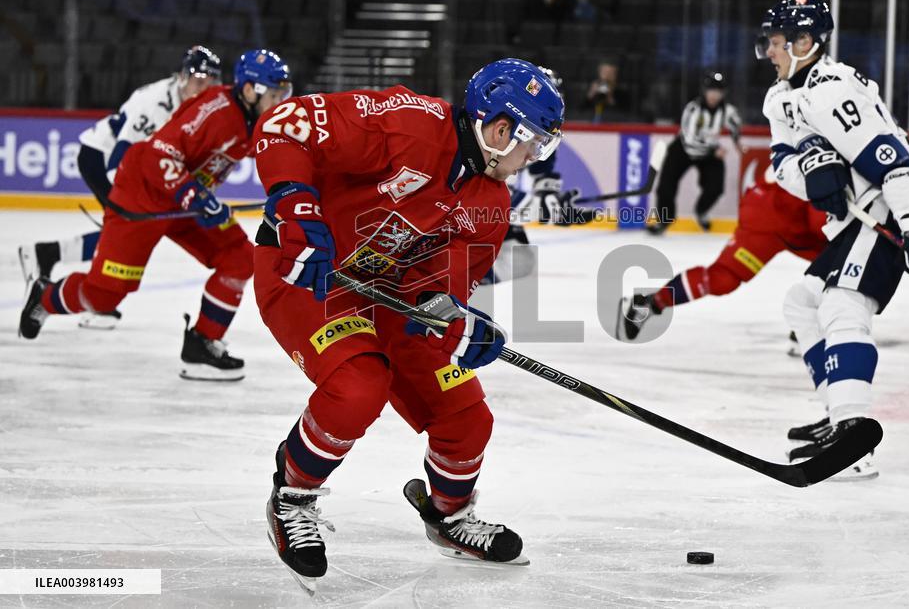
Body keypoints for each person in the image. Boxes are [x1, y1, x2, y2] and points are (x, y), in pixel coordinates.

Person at [251, 58, 564, 591]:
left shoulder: (490, 203)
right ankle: (292, 496)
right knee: (359, 386)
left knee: (467, 418)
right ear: (499, 128)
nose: (532, 158)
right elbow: (283, 125)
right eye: (532, 144)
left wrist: (460, 323)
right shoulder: (409, 123)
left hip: (387, 294)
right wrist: (294, 204)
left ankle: (449, 517)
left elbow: (441, 290)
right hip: (307, 276)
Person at [19, 49, 293, 382]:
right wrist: (194, 195)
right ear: (250, 90)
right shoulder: (217, 113)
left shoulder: (253, 118)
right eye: (274, 95)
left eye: (284, 95)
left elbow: (277, 153)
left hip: (183, 201)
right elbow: (159, 155)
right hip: (143, 198)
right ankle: (46, 298)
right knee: (104, 294)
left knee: (238, 256)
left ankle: (201, 345)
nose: (280, 103)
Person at [756, 0, 909, 479]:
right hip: (860, 213)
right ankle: (837, 414)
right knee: (802, 303)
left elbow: (894, 163)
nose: (769, 52)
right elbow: (782, 167)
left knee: (842, 307)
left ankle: (853, 437)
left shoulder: (832, 90)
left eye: (776, 42)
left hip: (895, 200)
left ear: (805, 43)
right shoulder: (780, 97)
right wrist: (811, 166)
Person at [17, 45, 222, 329]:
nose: (204, 88)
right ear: (183, 77)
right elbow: (121, 155)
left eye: (210, 82)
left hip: (126, 167)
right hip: (100, 156)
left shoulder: (194, 104)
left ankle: (48, 255)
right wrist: (126, 205)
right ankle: (93, 297)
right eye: (199, 81)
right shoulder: (155, 103)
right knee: (123, 232)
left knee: (121, 233)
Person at [617, 156, 828, 340]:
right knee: (845, 260)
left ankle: (808, 325)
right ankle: (811, 327)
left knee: (840, 263)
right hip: (773, 213)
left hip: (781, 214)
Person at [486, 66, 595, 285]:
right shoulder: (500, 130)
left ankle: (462, 284)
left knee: (520, 261)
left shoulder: (540, 133)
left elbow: (542, 176)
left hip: (492, 204)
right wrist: (544, 208)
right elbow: (485, 203)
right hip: (461, 210)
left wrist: (553, 202)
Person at [648, 72, 743, 234]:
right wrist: (714, 150)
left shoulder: (728, 111)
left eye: (718, 91)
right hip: (683, 149)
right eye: (711, 90)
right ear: (704, 91)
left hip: (710, 152)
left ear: (723, 93)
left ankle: (701, 210)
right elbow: (690, 142)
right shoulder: (693, 109)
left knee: (716, 188)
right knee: (666, 186)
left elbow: (735, 126)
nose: (714, 95)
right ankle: (664, 221)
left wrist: (737, 143)